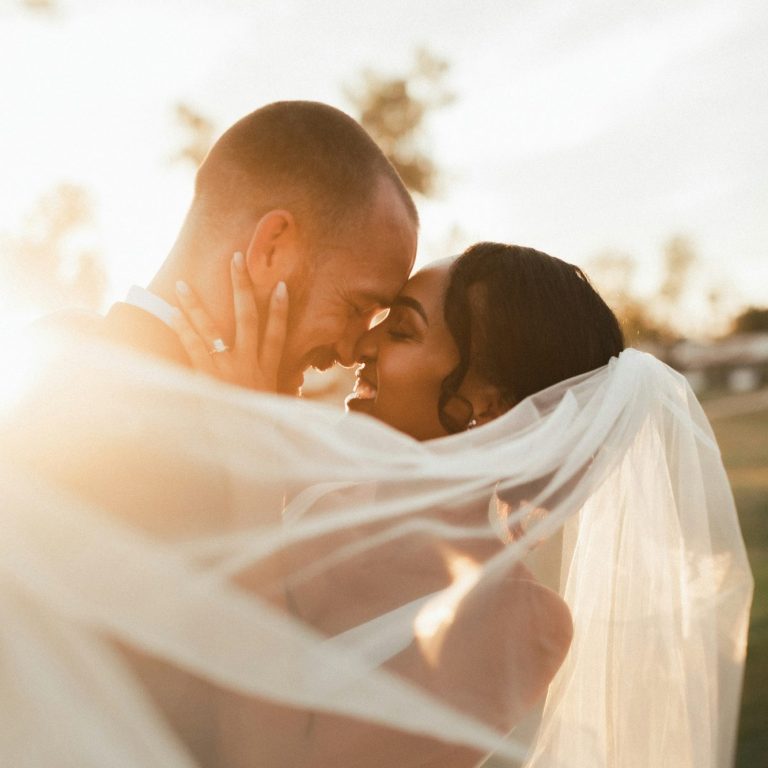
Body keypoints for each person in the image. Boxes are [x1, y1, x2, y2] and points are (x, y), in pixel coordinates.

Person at [170, 242, 624, 766]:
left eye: (401, 331)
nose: (361, 344)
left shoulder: (519, 621)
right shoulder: (312, 495)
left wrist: (252, 483)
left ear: (490, 405)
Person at [90, 100, 418, 395]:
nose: (350, 353)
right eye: (357, 308)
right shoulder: (100, 399)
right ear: (271, 248)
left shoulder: (91, 361)